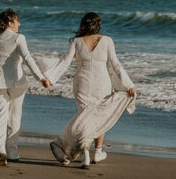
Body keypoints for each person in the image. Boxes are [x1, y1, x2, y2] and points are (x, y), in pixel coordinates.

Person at [47, 12, 136, 167]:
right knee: (98, 117)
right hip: (102, 83)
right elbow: (116, 65)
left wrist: (51, 79)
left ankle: (86, 155)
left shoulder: (76, 41)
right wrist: (128, 84)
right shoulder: (107, 40)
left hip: (82, 83)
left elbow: (65, 62)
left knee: (86, 117)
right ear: (98, 24)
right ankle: (98, 152)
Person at [0, 9, 52, 165]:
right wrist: (41, 78)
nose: (20, 24)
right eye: (17, 21)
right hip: (17, 83)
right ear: (10, 23)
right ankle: (12, 152)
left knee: (0, 118)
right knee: (15, 117)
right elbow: (28, 59)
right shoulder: (18, 38)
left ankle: (0, 151)